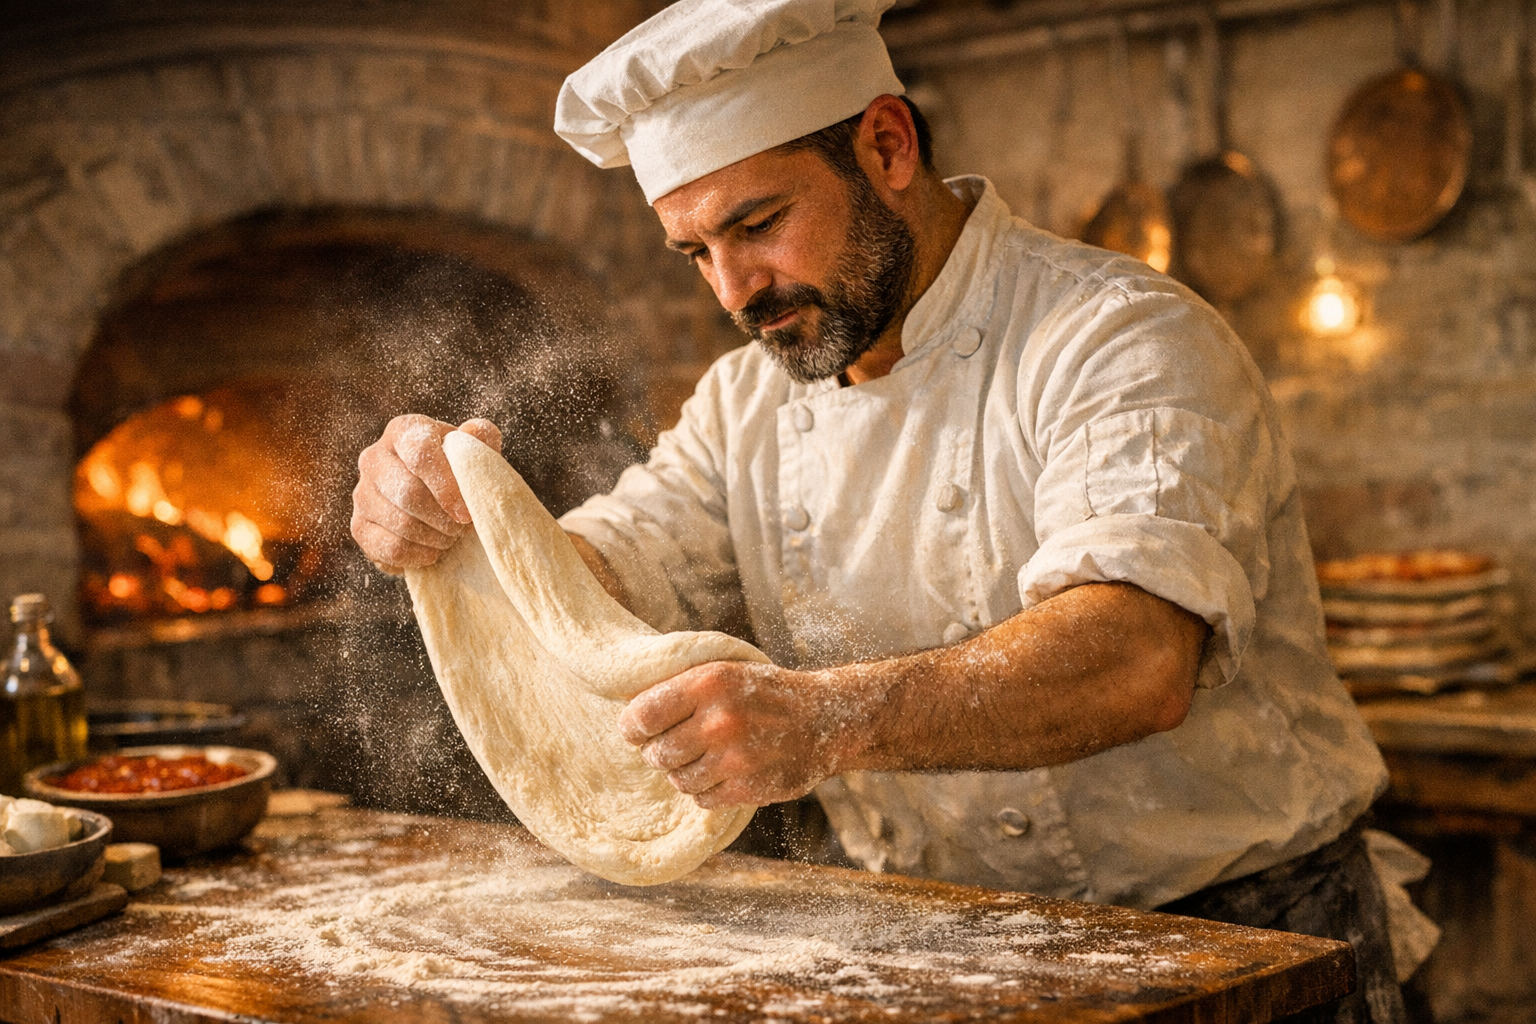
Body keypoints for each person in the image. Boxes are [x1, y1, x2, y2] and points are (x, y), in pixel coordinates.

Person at [350, 2, 1425, 1020]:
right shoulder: (746, 404)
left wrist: (826, 722)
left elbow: (1137, 654)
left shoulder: (1116, 337)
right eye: (696, 253)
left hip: (1245, 954)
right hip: (954, 947)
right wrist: (471, 529)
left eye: (759, 223)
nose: (734, 289)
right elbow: (617, 568)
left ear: (886, 146)